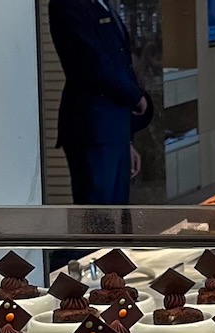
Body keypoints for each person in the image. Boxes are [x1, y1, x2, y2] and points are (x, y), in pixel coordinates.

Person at [48, 0, 153, 204]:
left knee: (116, 214)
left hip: (115, 129)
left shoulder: (101, 3)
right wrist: (135, 97)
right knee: (97, 214)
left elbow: (120, 61)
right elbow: (94, 63)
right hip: (94, 129)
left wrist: (127, 140)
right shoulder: (69, 5)